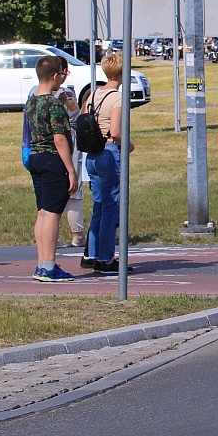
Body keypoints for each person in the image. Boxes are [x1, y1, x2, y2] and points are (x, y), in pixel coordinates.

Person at [24, 55, 78, 282]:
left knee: (43, 212)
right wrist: (71, 169)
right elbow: (60, 138)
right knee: (53, 214)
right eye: (62, 75)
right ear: (55, 76)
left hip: (35, 157)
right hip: (52, 159)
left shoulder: (32, 101)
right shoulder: (52, 103)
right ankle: (48, 265)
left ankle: (41, 263)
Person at [84, 51, 135, 274]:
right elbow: (115, 131)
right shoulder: (117, 98)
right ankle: (106, 259)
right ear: (122, 72)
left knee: (98, 205)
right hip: (109, 151)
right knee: (111, 207)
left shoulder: (93, 94)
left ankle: (91, 253)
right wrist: (128, 145)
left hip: (92, 155)